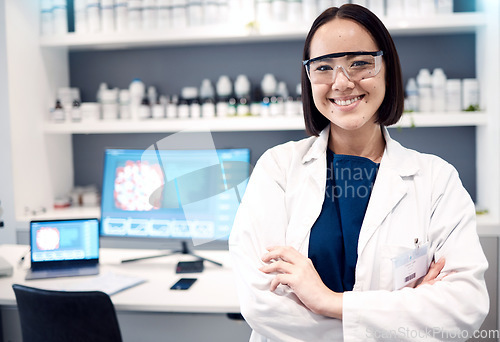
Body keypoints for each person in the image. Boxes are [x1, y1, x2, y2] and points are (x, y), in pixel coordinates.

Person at [228, 4, 489, 342]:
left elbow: (463, 309)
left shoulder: (437, 180)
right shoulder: (277, 170)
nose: (342, 82)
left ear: (387, 69)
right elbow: (262, 304)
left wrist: (329, 301)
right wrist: (399, 315)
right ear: (309, 79)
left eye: (360, 63)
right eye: (323, 67)